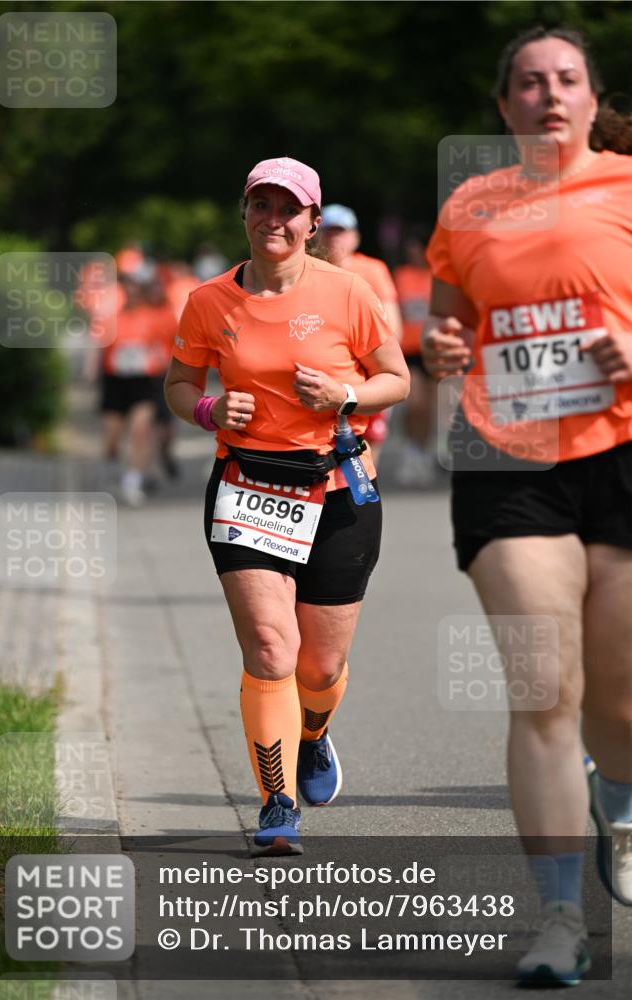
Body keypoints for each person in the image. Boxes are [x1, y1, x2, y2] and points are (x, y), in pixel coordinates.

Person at [421, 25, 632, 986]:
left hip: (620, 450)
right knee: (544, 690)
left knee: (616, 699)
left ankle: (618, 801)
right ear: (503, 105)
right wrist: (442, 350)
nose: (549, 94)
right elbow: (449, 325)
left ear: (591, 98)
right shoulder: (469, 206)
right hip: (507, 456)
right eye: (530, 82)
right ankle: (559, 917)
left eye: (566, 79)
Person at [165, 157, 409, 856]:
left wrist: (345, 396)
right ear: (244, 212)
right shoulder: (208, 301)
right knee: (272, 649)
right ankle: (276, 803)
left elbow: (396, 380)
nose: (273, 220)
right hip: (247, 488)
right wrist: (209, 410)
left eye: (288, 209)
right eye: (260, 205)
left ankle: (314, 732)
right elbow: (179, 385)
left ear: (312, 221)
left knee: (319, 669)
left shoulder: (349, 292)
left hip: (336, 491)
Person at [316, 203, 403, 465]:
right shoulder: (307, 270)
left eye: (341, 232)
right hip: (325, 370)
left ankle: (363, 486)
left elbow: (392, 324)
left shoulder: (373, 270)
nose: (335, 238)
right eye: (329, 231)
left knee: (369, 441)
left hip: (367, 372)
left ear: (355, 237)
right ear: (316, 234)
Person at [98, 263, 177, 506]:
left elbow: (164, 346)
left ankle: (133, 481)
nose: (132, 291)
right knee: (112, 438)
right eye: (128, 286)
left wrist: (163, 363)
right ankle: (113, 462)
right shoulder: (112, 318)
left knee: (140, 431)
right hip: (115, 381)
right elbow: (102, 348)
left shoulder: (153, 317)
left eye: (136, 287)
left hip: (144, 381)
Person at [393, 232, 437, 485]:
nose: (413, 254)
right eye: (409, 250)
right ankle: (410, 450)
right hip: (408, 349)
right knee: (415, 404)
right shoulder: (401, 275)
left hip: (430, 349)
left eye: (416, 249)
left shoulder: (437, 276)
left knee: (428, 407)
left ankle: (424, 451)